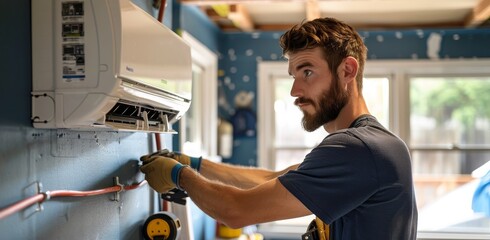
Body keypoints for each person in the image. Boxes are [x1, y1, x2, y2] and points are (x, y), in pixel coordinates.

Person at [140, 17, 418, 240]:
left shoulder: (357, 148)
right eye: (293, 76)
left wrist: (179, 175)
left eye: (307, 72)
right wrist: (197, 164)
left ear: (347, 71)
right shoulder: (373, 143)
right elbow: (270, 179)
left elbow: (237, 211)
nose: (295, 91)